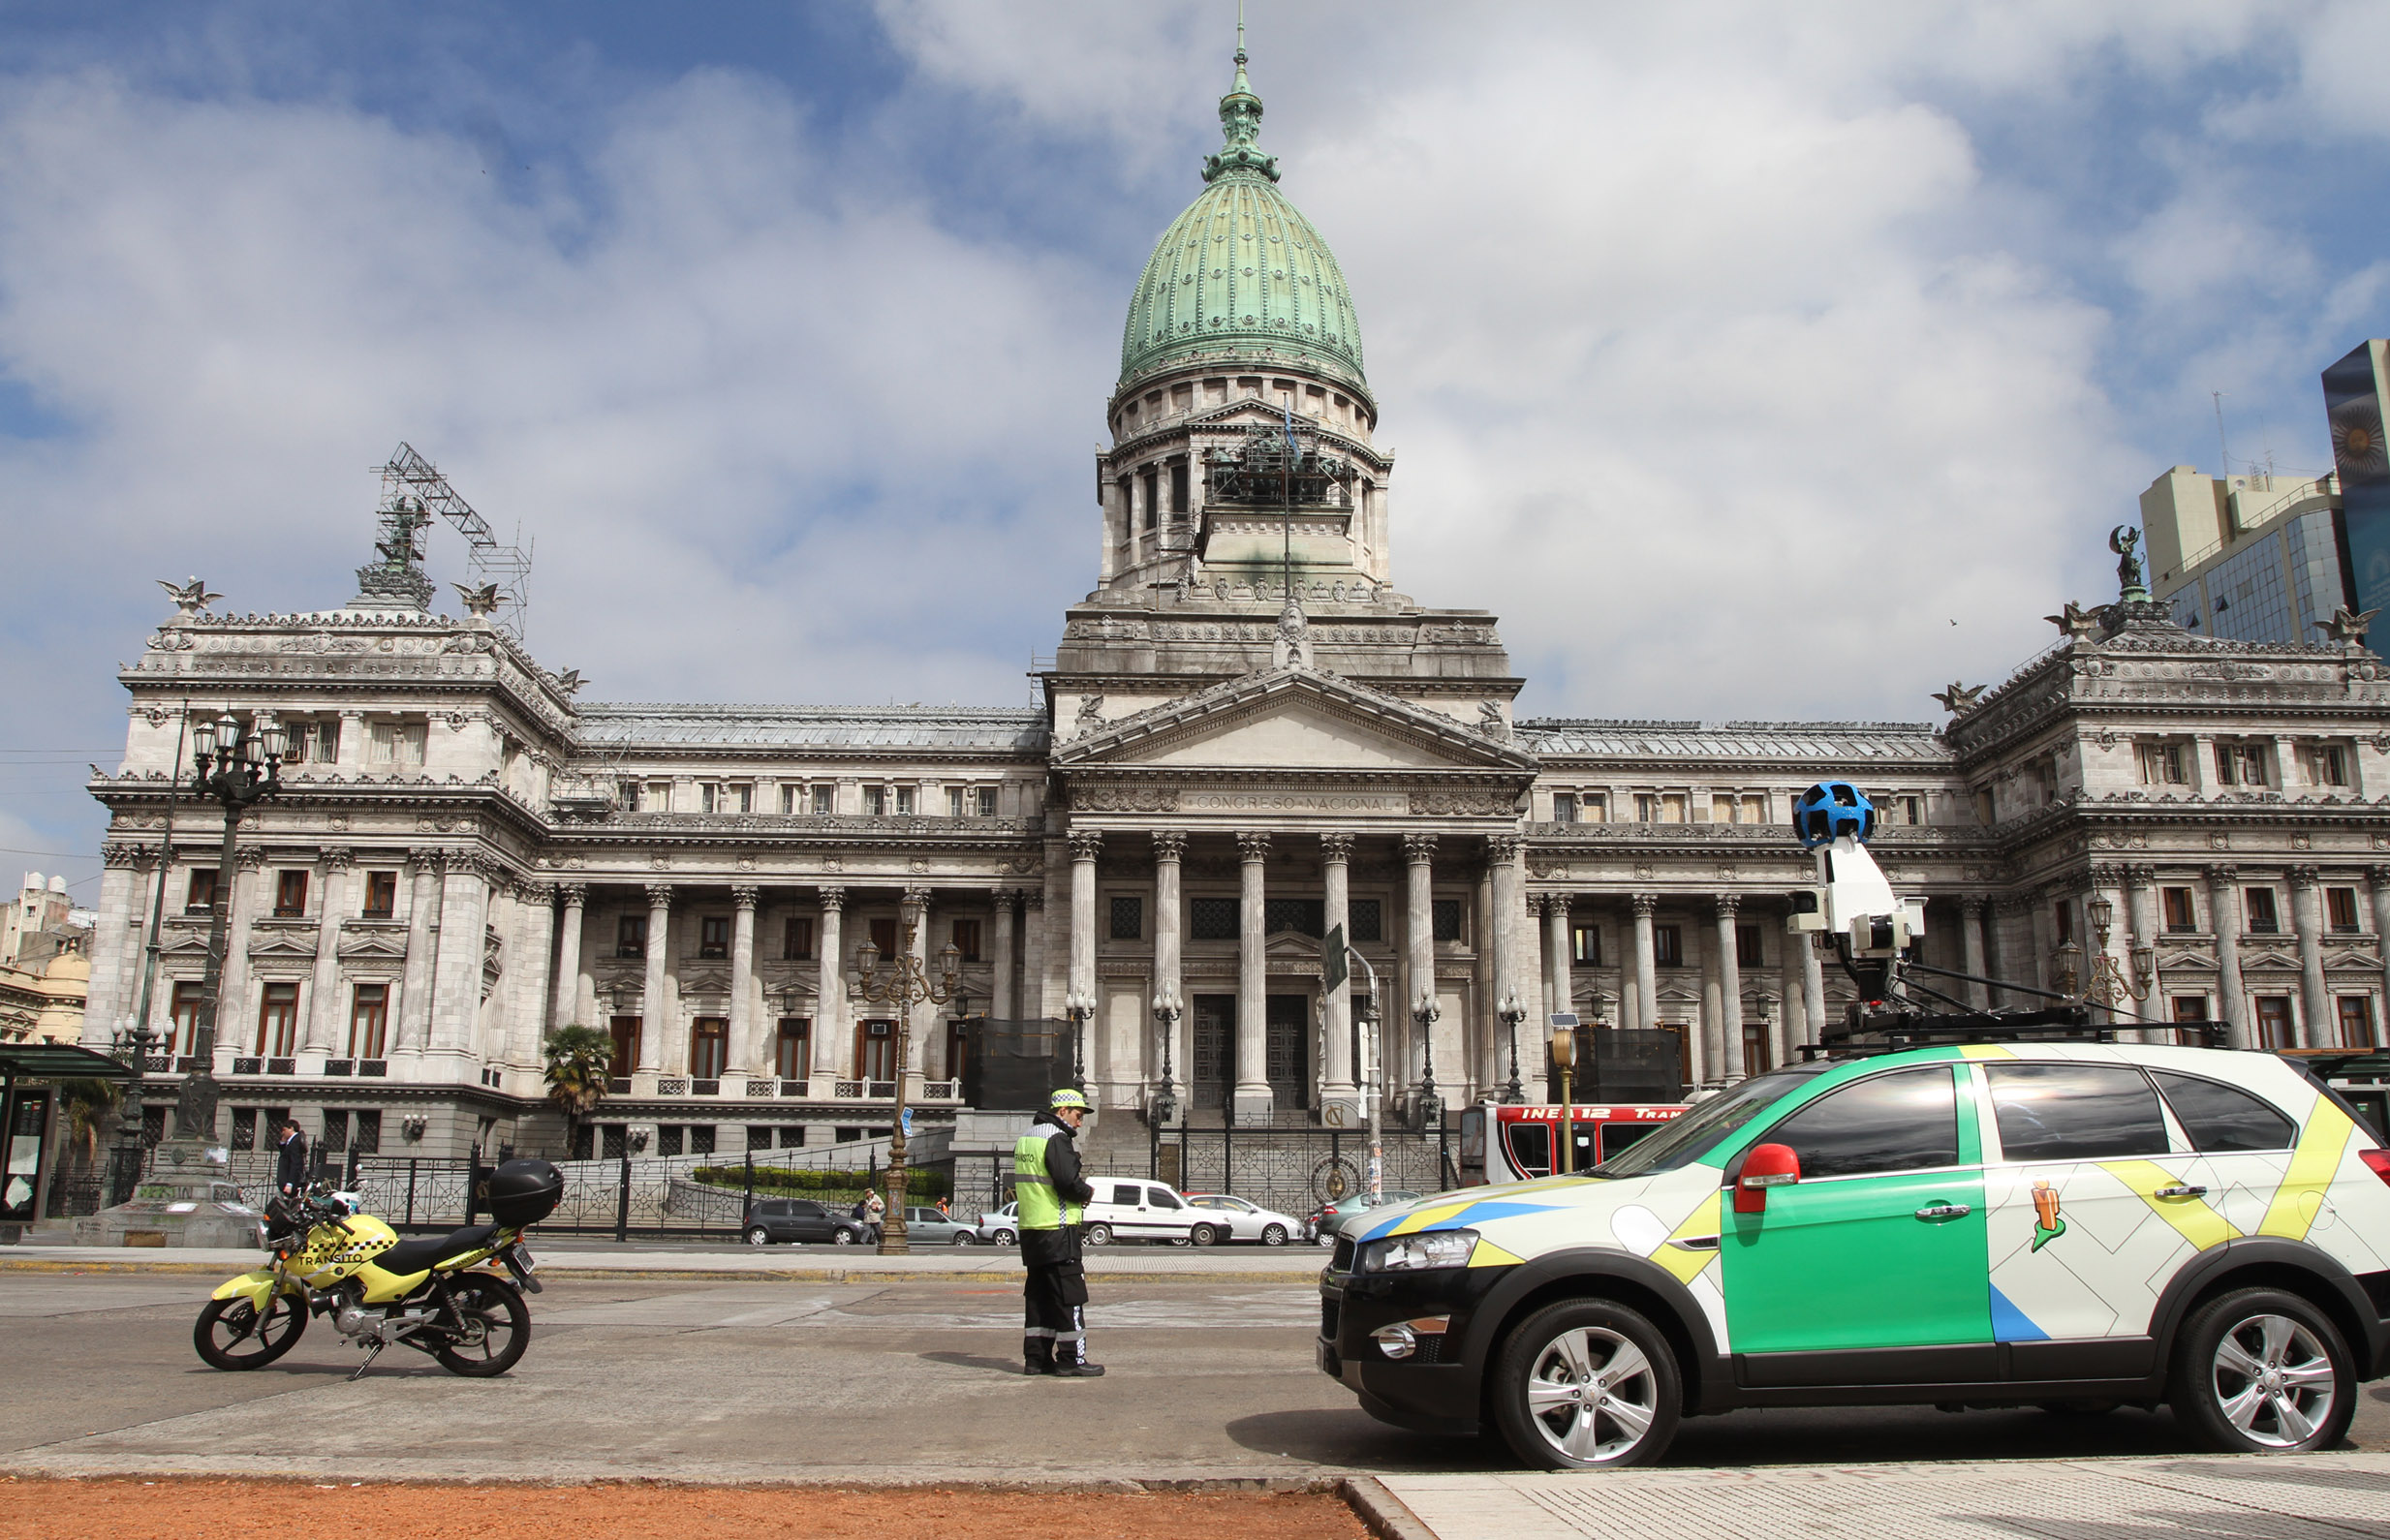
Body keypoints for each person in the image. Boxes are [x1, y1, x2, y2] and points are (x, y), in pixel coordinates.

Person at [1013, 1087, 1101, 1377]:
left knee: (1039, 1297)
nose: (1080, 1122)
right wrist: (1085, 1191)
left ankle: (1036, 1359)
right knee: (1068, 1296)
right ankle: (1070, 1359)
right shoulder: (1056, 1138)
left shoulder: (1027, 1138)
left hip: (1032, 1230)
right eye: (1078, 1115)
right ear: (1062, 1111)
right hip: (1058, 1229)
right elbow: (1066, 1180)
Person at [272, 1117, 309, 1197]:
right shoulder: (291, 1141)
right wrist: (283, 1141)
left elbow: (295, 1163)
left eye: (284, 1130)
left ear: (291, 1128)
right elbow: (284, 1154)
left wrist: (290, 1183)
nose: (283, 1132)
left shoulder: (295, 1141)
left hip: (289, 1182)